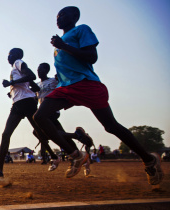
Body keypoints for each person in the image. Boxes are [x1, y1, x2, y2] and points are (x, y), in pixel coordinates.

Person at [33, 6, 163, 184]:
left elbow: (91, 57)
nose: (59, 18)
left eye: (63, 14)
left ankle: (148, 160)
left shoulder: (81, 30)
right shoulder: (59, 43)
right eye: (57, 15)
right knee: (39, 116)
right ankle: (75, 155)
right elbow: (67, 66)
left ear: (75, 16)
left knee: (111, 126)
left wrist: (64, 46)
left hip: (87, 84)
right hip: (67, 88)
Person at [0, 48, 60, 182]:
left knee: (37, 132)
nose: (8, 57)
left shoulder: (18, 62)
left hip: (27, 103)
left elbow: (31, 76)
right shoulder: (16, 69)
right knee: (9, 134)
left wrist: (11, 83)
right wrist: (13, 90)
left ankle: (55, 155)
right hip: (18, 104)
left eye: (10, 54)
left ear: (16, 55)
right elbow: (34, 86)